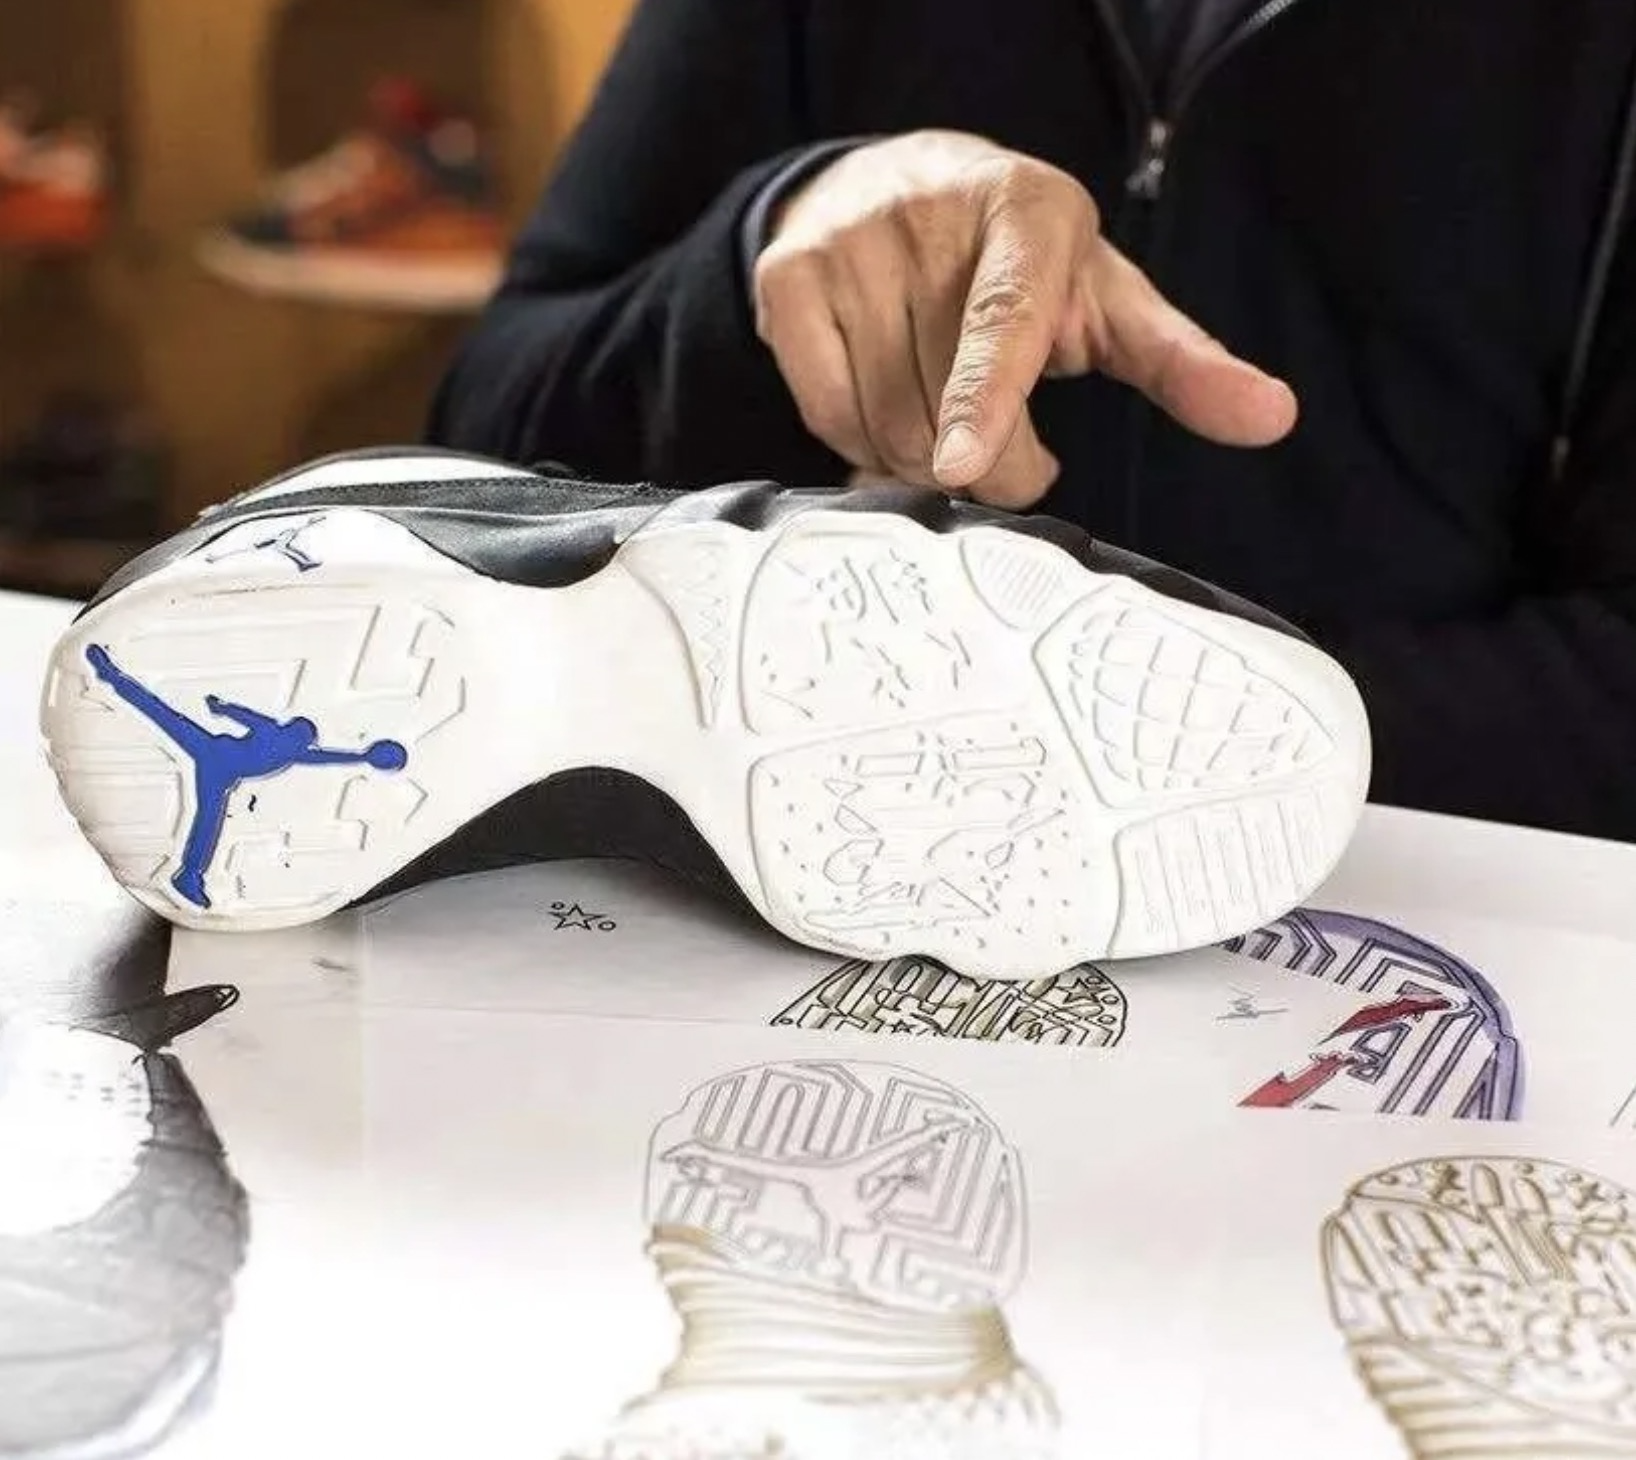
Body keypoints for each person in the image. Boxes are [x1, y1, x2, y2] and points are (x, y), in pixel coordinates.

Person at [427, 0, 1636, 844]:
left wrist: (1062, 724)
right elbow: (481, 442)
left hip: (1386, 934)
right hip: (787, 880)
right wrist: (769, 248)